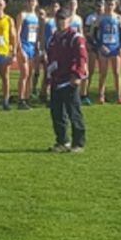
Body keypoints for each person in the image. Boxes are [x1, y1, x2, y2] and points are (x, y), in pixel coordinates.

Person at [46, 9, 88, 154]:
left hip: (69, 81)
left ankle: (79, 143)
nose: (60, 22)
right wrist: (49, 77)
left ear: (69, 21)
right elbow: (51, 59)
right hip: (56, 80)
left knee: (74, 112)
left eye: (63, 19)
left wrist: (77, 75)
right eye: (58, 19)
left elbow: (81, 57)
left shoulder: (75, 37)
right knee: (57, 113)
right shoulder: (53, 39)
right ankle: (62, 141)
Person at [95, 0, 121, 105]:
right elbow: (94, 34)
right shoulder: (101, 18)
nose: (110, 6)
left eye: (112, 4)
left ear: (115, 5)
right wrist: (100, 46)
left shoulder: (118, 18)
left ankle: (119, 97)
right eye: (108, 4)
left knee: (117, 72)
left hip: (115, 47)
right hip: (104, 48)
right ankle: (101, 96)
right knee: (103, 73)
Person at [15, 0, 40, 109]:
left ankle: (27, 97)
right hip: (24, 46)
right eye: (30, 1)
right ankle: (20, 99)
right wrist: (20, 49)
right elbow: (17, 33)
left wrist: (38, 47)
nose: (32, 3)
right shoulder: (22, 15)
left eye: (34, 1)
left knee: (30, 74)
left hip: (32, 47)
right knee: (24, 74)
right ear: (27, 2)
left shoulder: (36, 16)